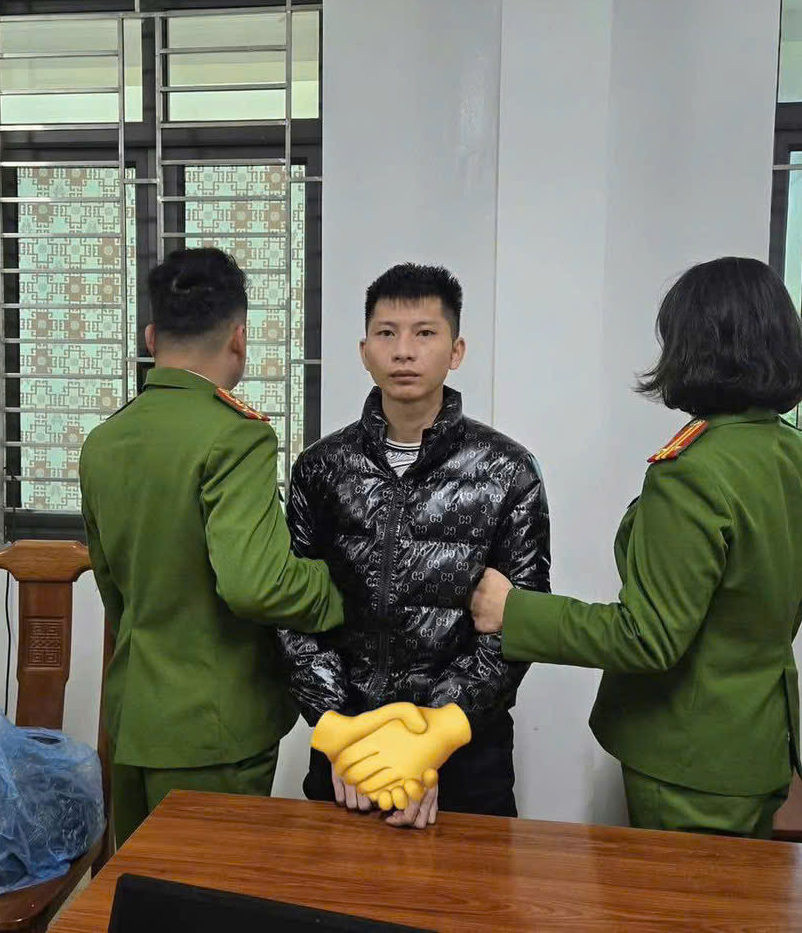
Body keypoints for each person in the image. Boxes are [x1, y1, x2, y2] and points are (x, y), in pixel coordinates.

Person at [470, 256, 802, 839]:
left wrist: (514, 612)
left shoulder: (693, 471)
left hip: (689, 757)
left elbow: (648, 637)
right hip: (762, 742)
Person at [79, 248, 345, 847]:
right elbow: (257, 584)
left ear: (151, 337)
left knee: (141, 884)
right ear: (238, 339)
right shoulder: (235, 436)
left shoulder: (103, 442)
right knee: (208, 890)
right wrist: (336, 591)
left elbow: (113, 589)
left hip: (135, 715)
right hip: (214, 727)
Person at [277, 263, 551, 829]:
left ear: (456, 351)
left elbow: (519, 622)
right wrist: (341, 732)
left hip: (465, 755)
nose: (404, 351)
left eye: (425, 333)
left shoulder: (508, 471)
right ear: (364, 351)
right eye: (387, 333)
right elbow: (293, 611)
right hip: (346, 752)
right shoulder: (320, 469)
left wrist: (428, 744)